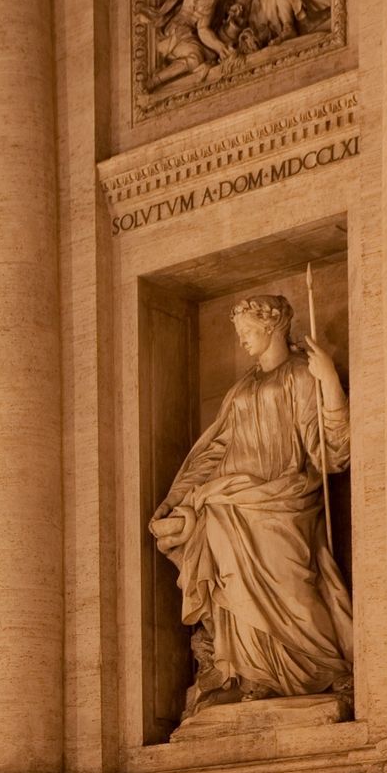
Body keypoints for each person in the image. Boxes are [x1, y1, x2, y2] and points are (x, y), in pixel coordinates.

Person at [149, 292, 352, 717]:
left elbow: (330, 452)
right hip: (226, 503)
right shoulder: (242, 387)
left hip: (284, 500)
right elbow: (214, 449)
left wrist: (329, 382)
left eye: (247, 330)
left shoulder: (300, 375)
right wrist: (178, 498)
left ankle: (322, 667)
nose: (241, 339)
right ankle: (254, 674)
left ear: (273, 325)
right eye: (239, 332)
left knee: (294, 588)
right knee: (234, 590)